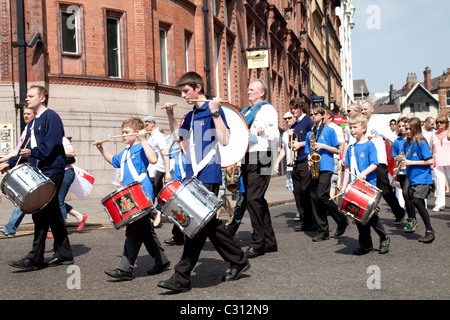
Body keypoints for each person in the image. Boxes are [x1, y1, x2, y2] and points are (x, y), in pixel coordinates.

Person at [158, 71, 249, 293]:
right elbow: (177, 138)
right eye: (181, 92)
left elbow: (225, 140)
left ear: (198, 87)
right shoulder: (190, 115)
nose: (184, 95)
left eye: (186, 91)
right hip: (192, 175)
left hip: (208, 173)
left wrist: (216, 113)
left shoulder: (212, 110)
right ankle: (238, 259)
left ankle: (182, 276)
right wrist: (171, 115)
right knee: (208, 224)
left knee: (195, 224)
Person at [0, 85, 73, 270]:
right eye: (26, 96)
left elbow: (50, 146)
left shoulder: (51, 117)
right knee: (54, 214)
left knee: (40, 213)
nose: (26, 98)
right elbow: (24, 149)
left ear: (42, 98)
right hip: (40, 170)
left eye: (30, 96)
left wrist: (30, 152)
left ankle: (35, 258)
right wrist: (11, 162)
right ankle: (65, 254)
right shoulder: (32, 123)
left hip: (53, 169)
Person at [94, 117, 170, 280]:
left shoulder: (142, 147)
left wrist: (143, 140)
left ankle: (125, 269)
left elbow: (154, 159)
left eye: (126, 132)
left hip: (142, 194)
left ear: (136, 133)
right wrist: (101, 149)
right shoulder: (125, 152)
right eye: (122, 132)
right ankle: (162, 261)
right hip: (130, 195)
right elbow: (114, 161)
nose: (123, 135)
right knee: (145, 232)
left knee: (134, 231)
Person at [240, 79, 279, 258]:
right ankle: (269, 241)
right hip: (248, 156)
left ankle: (258, 243)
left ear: (261, 92)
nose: (248, 92)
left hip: (263, 154)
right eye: (248, 89)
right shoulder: (246, 112)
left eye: (252, 90)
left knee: (253, 199)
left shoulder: (267, 109)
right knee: (257, 199)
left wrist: (262, 130)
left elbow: (273, 134)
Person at [341, 114, 390, 255]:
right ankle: (366, 244)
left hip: (368, 184)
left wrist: (364, 173)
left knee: (370, 214)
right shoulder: (350, 147)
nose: (352, 129)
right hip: (354, 185)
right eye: (350, 127)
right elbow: (348, 169)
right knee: (357, 215)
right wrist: (344, 186)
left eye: (355, 127)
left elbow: (375, 163)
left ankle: (384, 238)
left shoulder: (370, 145)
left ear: (363, 128)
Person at [305, 106, 348, 242]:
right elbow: (308, 152)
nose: (313, 116)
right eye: (311, 114)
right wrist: (309, 161)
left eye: (315, 114)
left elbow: (337, 150)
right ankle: (323, 231)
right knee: (314, 199)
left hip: (327, 166)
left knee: (322, 195)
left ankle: (341, 219)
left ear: (322, 115)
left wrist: (322, 146)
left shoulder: (329, 131)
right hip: (315, 168)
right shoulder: (309, 133)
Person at [360, 101, 405, 224]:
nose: (363, 112)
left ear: (372, 109)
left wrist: (399, 155)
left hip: (379, 161)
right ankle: (369, 214)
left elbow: (392, 138)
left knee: (385, 190)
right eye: (362, 110)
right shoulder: (362, 124)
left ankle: (399, 212)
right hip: (366, 163)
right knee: (368, 189)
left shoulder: (378, 122)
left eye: (365, 109)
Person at [0, 105, 35, 238]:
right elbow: (19, 151)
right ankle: (10, 228)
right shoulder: (27, 129)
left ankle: (10, 228)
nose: (25, 115)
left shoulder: (33, 130)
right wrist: (6, 162)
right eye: (24, 113)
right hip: (30, 168)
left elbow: (24, 152)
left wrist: (7, 163)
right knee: (27, 199)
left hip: (36, 170)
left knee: (26, 198)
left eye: (28, 113)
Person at [399, 117, 435, 243]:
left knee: (417, 200)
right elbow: (408, 161)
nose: (406, 131)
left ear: (416, 128)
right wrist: (403, 164)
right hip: (412, 176)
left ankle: (430, 230)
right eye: (406, 128)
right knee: (414, 200)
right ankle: (425, 227)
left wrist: (411, 162)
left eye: (409, 129)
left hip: (423, 177)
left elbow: (430, 160)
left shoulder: (421, 142)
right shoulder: (406, 143)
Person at [289, 97, 315, 231]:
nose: (293, 111)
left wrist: (301, 144)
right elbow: (291, 145)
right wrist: (290, 137)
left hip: (306, 160)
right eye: (291, 108)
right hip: (296, 162)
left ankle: (313, 220)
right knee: (297, 192)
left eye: (295, 108)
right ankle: (305, 220)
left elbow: (314, 139)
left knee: (306, 191)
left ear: (301, 108)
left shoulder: (308, 121)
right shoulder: (294, 125)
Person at [56, 136, 87, 233]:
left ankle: (60, 228)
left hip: (66, 172)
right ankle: (79, 216)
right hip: (57, 173)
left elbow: (72, 153)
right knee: (54, 200)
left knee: (58, 199)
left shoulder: (62, 139)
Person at [392, 117, 417, 232]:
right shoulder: (397, 141)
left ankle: (411, 219)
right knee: (405, 194)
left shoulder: (411, 139)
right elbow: (395, 155)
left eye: (404, 126)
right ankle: (412, 217)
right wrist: (397, 159)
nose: (401, 128)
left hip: (410, 170)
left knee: (407, 193)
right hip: (401, 171)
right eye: (400, 126)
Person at [273, 111, 296, 204]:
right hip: (290, 165)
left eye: (289, 118)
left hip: (299, 164)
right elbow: (284, 149)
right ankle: (300, 210)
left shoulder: (299, 130)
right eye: (285, 119)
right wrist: (277, 162)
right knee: (293, 189)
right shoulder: (286, 133)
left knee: (302, 189)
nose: (287, 120)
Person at [323, 108, 345, 202]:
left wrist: (342, 159)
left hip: (334, 158)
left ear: (328, 115)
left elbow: (342, 144)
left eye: (322, 114)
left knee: (332, 180)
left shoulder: (336, 128)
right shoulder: (319, 128)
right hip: (323, 159)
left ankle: (330, 203)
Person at [430, 115, 450, 212]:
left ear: (446, 123)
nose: (439, 124)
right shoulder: (433, 135)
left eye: (442, 122)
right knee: (439, 184)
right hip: (437, 162)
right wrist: (430, 161)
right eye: (437, 122)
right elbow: (430, 149)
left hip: (449, 162)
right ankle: (439, 204)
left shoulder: (449, 133)